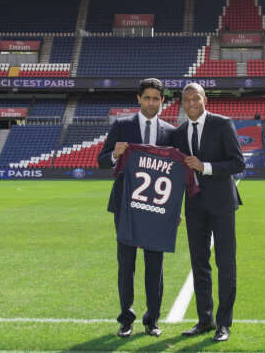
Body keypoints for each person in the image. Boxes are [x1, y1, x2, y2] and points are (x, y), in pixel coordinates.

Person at [98, 78, 175, 338]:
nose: (152, 103)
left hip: (157, 207)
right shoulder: (121, 126)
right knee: (126, 263)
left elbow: (176, 175)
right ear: (139, 99)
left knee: (155, 264)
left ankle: (152, 319)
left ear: (162, 101)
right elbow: (102, 161)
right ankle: (126, 319)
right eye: (147, 98)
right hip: (126, 206)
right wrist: (114, 154)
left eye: (157, 98)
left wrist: (175, 210)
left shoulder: (170, 131)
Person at [174, 83, 245, 342]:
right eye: (186, 100)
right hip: (194, 205)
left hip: (222, 203)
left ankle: (223, 323)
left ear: (205, 100)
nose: (191, 103)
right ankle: (205, 320)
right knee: (199, 263)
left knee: (225, 263)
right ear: (181, 103)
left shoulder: (223, 124)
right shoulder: (179, 132)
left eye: (196, 98)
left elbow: (238, 162)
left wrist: (205, 166)